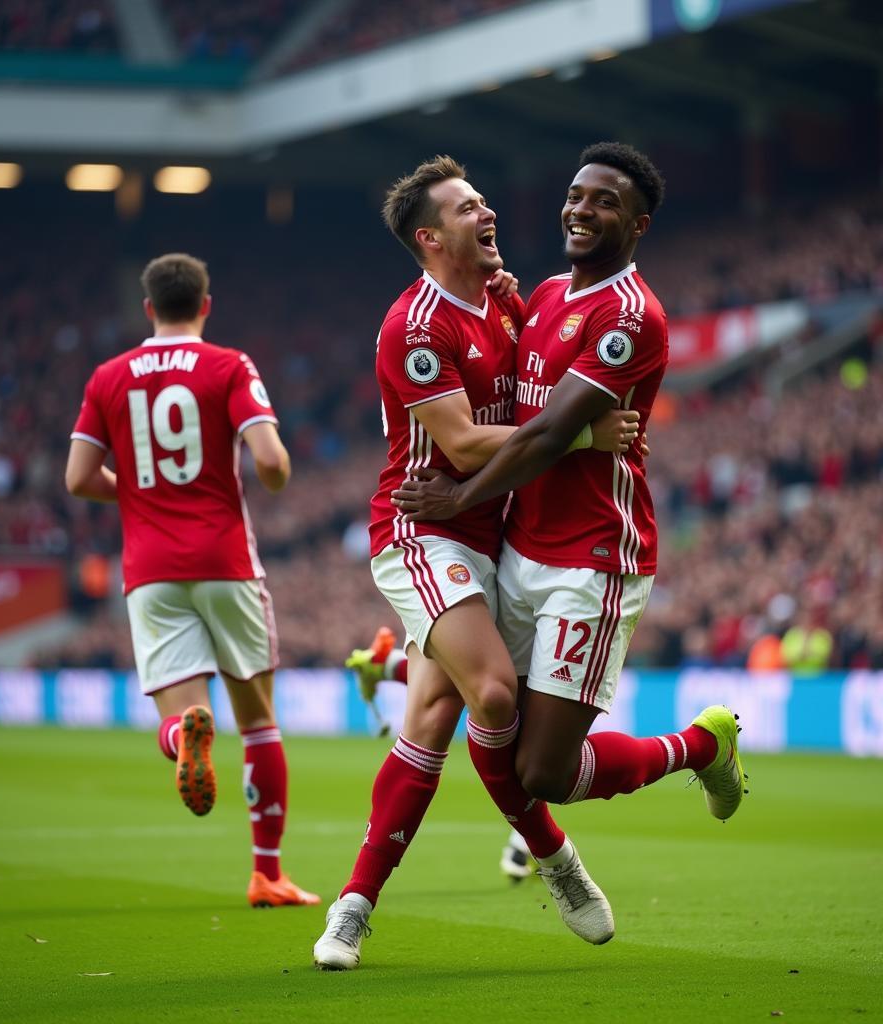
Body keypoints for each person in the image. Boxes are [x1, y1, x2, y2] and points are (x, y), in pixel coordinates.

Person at [313, 156, 641, 971]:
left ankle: (352, 907)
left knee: (430, 718)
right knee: (492, 691)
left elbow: (533, 404)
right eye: (467, 208)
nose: (486, 211)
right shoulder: (414, 326)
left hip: (502, 533)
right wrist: (586, 432)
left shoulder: (504, 303)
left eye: (483, 200)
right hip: (427, 529)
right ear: (431, 239)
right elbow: (460, 443)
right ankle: (555, 858)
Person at [391, 143, 746, 858]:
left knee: (544, 771)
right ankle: (394, 662)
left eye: (605, 202)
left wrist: (459, 493)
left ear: (638, 226)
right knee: (495, 715)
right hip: (522, 545)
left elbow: (548, 433)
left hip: (592, 555)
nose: (582, 209)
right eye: (578, 194)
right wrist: (502, 300)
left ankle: (702, 745)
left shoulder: (631, 315)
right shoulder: (547, 296)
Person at [65, 252, 319, 909]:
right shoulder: (229, 365)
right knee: (259, 721)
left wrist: (137, 496)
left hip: (150, 569)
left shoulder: (108, 377)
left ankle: (183, 739)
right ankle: (267, 874)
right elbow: (269, 460)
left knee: (177, 712)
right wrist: (278, 472)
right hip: (226, 560)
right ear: (206, 305)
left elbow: (77, 478)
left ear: (147, 309)